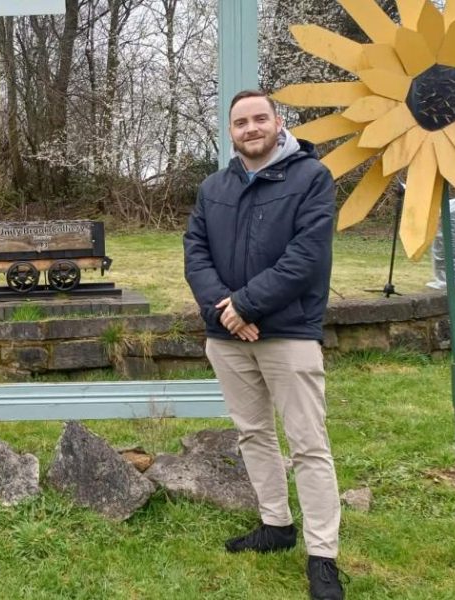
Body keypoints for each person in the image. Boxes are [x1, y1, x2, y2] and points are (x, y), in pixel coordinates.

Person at [184, 90, 344, 600]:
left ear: (278, 122)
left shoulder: (310, 178)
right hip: (227, 336)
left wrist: (246, 306)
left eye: (259, 118)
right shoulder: (213, 187)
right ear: (229, 131)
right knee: (253, 434)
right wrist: (226, 311)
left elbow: (307, 258)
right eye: (240, 122)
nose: (250, 128)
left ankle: (323, 556)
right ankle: (276, 525)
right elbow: (196, 255)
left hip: (289, 332)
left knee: (309, 445)